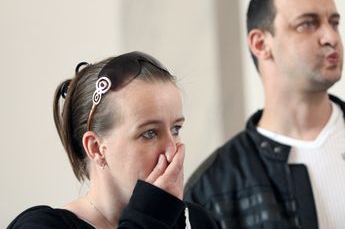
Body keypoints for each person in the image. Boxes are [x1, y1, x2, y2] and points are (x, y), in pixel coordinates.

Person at [184, 0, 345, 228]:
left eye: (334, 23)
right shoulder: (213, 187)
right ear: (260, 44)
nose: (331, 37)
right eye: (308, 24)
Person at [8, 51, 217, 229]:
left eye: (175, 129)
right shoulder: (40, 225)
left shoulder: (196, 220)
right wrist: (151, 217)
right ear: (96, 148)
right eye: (149, 133)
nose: (173, 151)